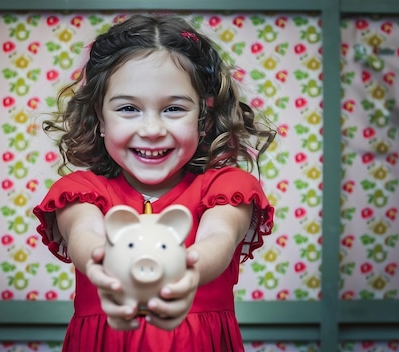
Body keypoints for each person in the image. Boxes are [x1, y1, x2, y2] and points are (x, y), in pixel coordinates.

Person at [33, 14, 275, 352]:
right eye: (129, 108)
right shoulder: (81, 192)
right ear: (100, 119)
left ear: (202, 120)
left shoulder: (228, 188)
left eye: (174, 109)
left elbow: (218, 237)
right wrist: (106, 270)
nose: (151, 130)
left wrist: (188, 275)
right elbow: (84, 235)